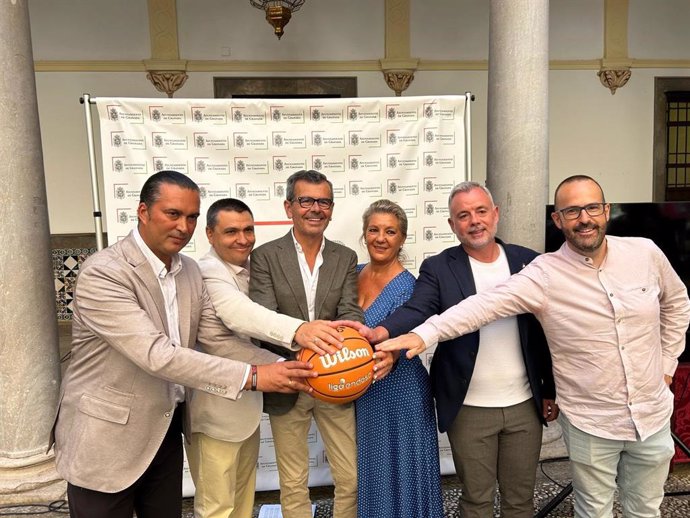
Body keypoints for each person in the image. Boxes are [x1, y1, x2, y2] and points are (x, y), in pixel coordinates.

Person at [379, 175, 690, 518]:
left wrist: (667, 365)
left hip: (644, 414)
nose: (584, 218)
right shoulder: (540, 272)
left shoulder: (641, 252)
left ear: (606, 210)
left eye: (591, 208)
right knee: (586, 510)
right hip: (570, 418)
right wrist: (421, 334)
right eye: (572, 211)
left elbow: (676, 303)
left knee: (644, 508)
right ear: (558, 220)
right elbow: (481, 307)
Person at [50, 171, 315, 518]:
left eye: (191, 216)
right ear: (143, 211)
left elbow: (216, 339)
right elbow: (157, 355)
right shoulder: (104, 272)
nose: (183, 226)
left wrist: (286, 368)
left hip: (165, 430)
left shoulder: (189, 270)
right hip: (106, 442)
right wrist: (252, 377)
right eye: (172, 214)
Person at [351, 182, 557, 518]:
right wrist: (382, 330)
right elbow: (418, 308)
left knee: (520, 501)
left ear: (495, 214)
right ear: (452, 224)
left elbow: (542, 332)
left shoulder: (529, 261)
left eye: (480, 211)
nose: (474, 221)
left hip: (524, 406)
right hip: (469, 408)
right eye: (463, 215)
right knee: (476, 501)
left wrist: (549, 389)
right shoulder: (439, 268)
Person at [188, 197, 345, 518]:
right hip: (215, 413)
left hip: (246, 410)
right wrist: (301, 335)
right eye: (231, 231)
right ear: (209, 234)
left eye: (248, 230)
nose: (243, 238)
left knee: (242, 503)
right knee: (217, 507)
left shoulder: (252, 268)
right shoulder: (207, 270)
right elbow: (236, 316)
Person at [249, 169, 373, 518]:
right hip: (287, 379)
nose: (315, 209)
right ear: (289, 207)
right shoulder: (265, 256)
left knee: (350, 476)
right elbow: (262, 318)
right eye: (306, 200)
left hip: (338, 376)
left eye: (324, 201)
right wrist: (305, 345)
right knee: (292, 481)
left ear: (331, 209)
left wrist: (345, 342)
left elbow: (351, 311)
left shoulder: (345, 257)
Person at [354, 199, 444, 518]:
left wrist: (390, 352)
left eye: (390, 231)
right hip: (365, 394)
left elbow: (407, 338)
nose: (381, 238)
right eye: (374, 230)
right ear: (364, 234)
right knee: (373, 470)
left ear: (402, 238)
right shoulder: (352, 275)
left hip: (402, 391)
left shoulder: (410, 287)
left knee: (404, 472)